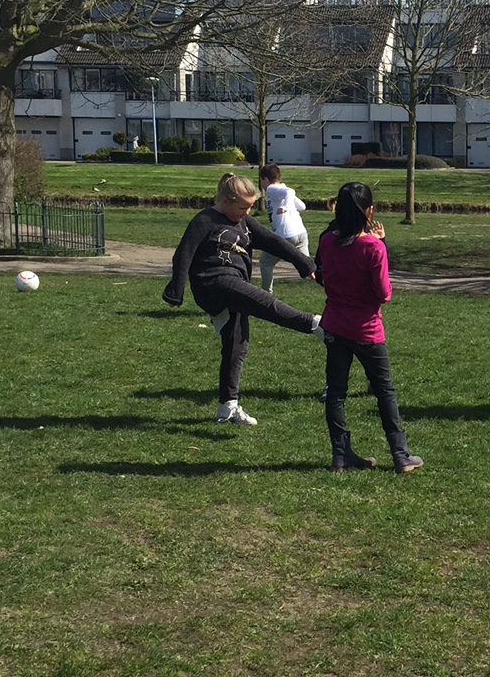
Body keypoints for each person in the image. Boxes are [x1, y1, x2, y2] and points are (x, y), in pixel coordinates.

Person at [162, 173, 322, 426]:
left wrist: (305, 263)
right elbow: (184, 254)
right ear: (226, 201)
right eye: (243, 207)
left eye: (250, 206)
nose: (247, 212)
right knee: (263, 301)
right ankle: (316, 325)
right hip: (213, 283)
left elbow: (273, 241)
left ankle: (227, 406)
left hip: (234, 285)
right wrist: (176, 290)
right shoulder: (204, 221)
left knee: (237, 344)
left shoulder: (245, 221)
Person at [319, 181, 422, 473]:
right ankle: (400, 455)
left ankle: (340, 454)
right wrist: (382, 243)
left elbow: (328, 275)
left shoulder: (327, 240)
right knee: (384, 390)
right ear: (370, 211)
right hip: (366, 329)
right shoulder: (373, 247)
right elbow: (384, 293)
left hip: (335, 325)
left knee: (336, 391)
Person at [258, 163, 310, 294]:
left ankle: (266, 295)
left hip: (286, 235)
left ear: (266, 179)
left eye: (261, 180)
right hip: (301, 234)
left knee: (265, 263)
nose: (261, 183)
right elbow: (302, 206)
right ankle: (329, 283)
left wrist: (285, 207)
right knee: (309, 268)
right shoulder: (282, 190)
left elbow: (290, 192)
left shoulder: (271, 189)